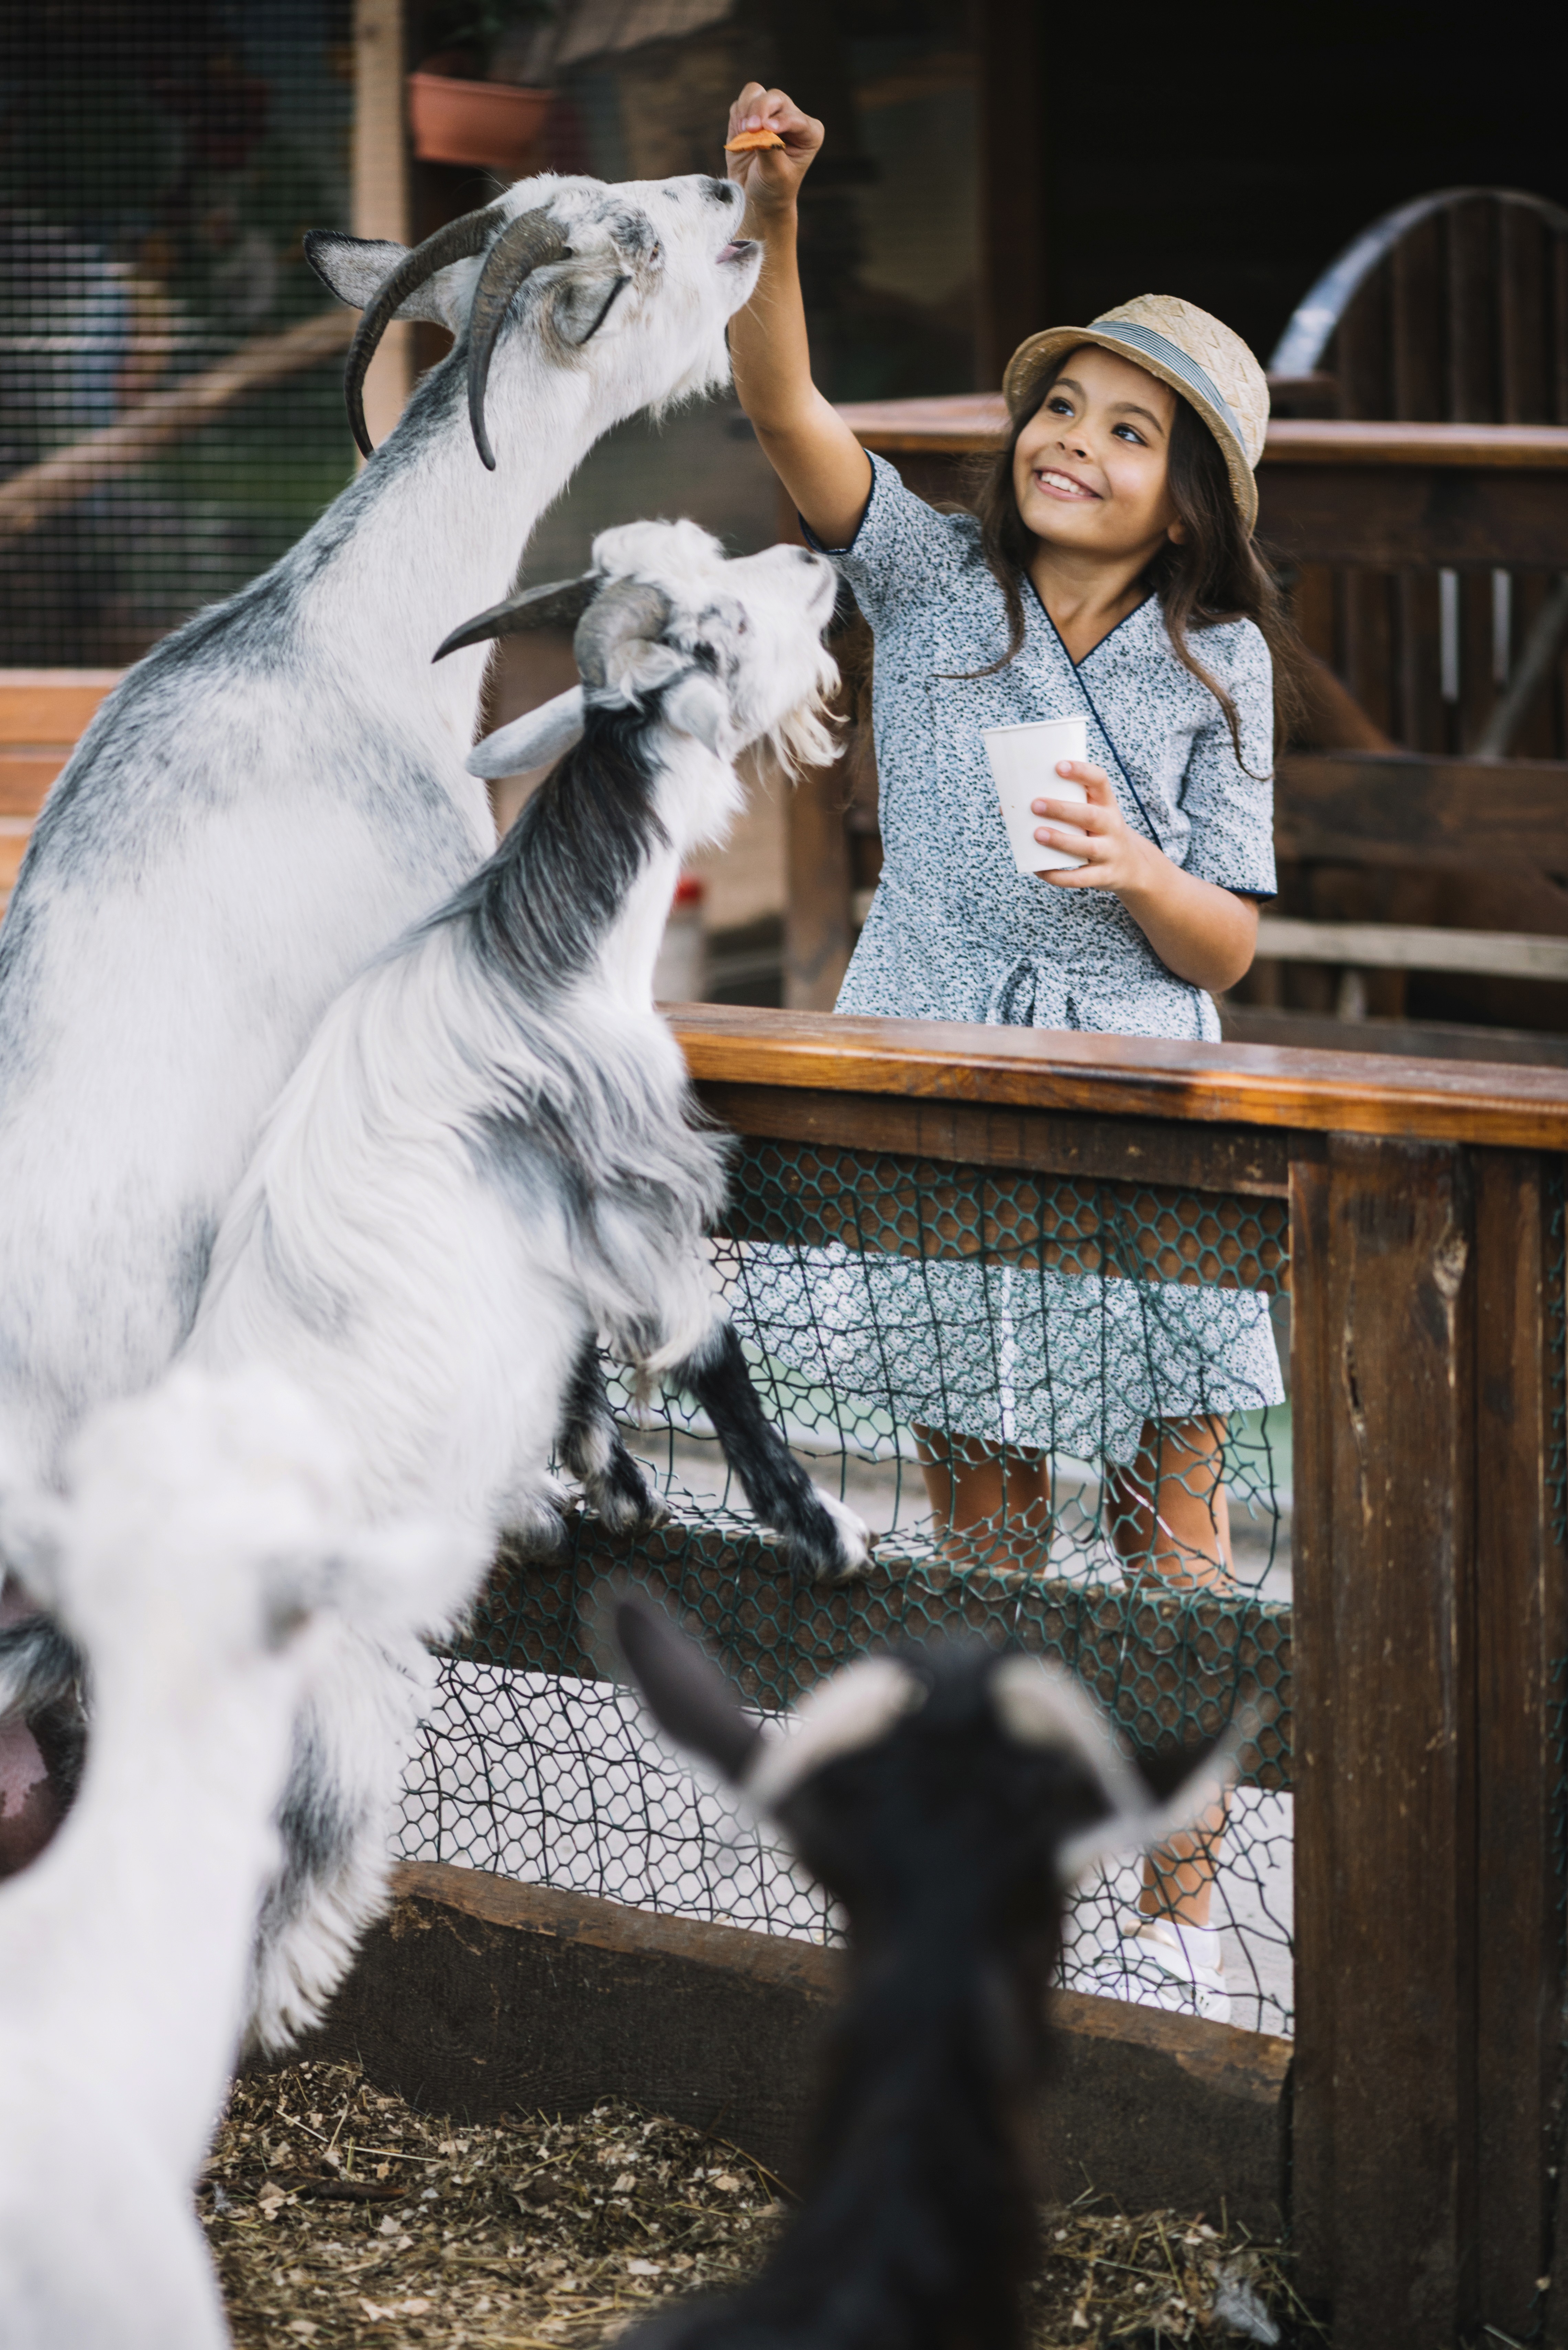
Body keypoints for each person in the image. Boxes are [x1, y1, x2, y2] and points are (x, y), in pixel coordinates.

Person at [721, 83, 1305, 2023]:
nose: (1076, 440)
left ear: (1189, 500)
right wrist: (770, 218)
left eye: (1131, 431)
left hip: (1138, 1084)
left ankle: (1182, 1909)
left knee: (1176, 1518)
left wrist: (1141, 867)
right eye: (1064, 405)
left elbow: (1230, 936)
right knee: (978, 1513)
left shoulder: (1220, 666)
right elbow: (786, 409)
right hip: (939, 1049)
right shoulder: (926, 579)